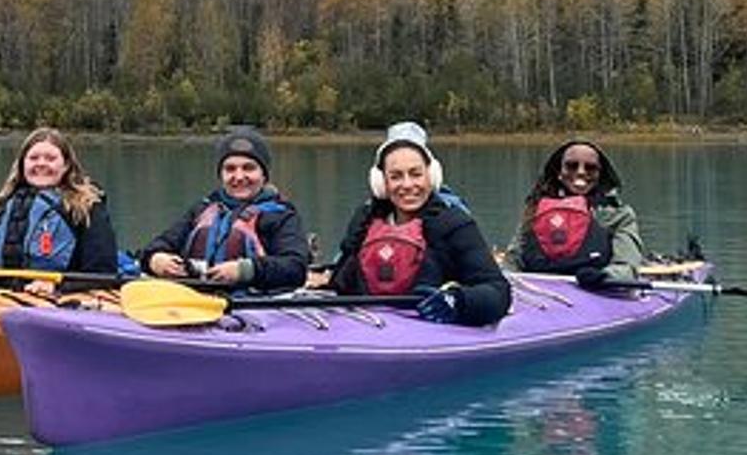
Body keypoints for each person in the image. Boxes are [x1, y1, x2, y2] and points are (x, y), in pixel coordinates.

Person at [326, 121, 511, 325]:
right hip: (368, 326)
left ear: (431, 176)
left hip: (429, 332)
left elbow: (497, 291)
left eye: (416, 174)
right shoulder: (364, 222)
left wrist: (457, 301)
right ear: (381, 183)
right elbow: (340, 282)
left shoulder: (453, 223)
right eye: (396, 176)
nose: (407, 185)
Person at [138, 126, 311, 291]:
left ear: (264, 175)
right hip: (198, 301)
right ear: (221, 175)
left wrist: (244, 270)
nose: (239, 176)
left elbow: (296, 268)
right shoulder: (202, 209)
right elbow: (156, 246)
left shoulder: (282, 216)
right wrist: (155, 259)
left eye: (248, 168)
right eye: (230, 169)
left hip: (254, 304)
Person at [0, 126, 121, 276]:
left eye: (50, 158)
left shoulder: (86, 207)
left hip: (62, 296)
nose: (41, 164)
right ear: (22, 164)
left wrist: (58, 285)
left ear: (66, 165)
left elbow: (102, 271)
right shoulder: (2, 207)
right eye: (33, 158)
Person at [507, 139, 647, 288]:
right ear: (559, 172)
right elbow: (513, 259)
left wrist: (605, 277)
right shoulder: (535, 209)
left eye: (590, 168)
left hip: (595, 291)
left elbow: (627, 265)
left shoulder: (619, 215)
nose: (581, 172)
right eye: (571, 166)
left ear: (600, 174)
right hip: (537, 293)